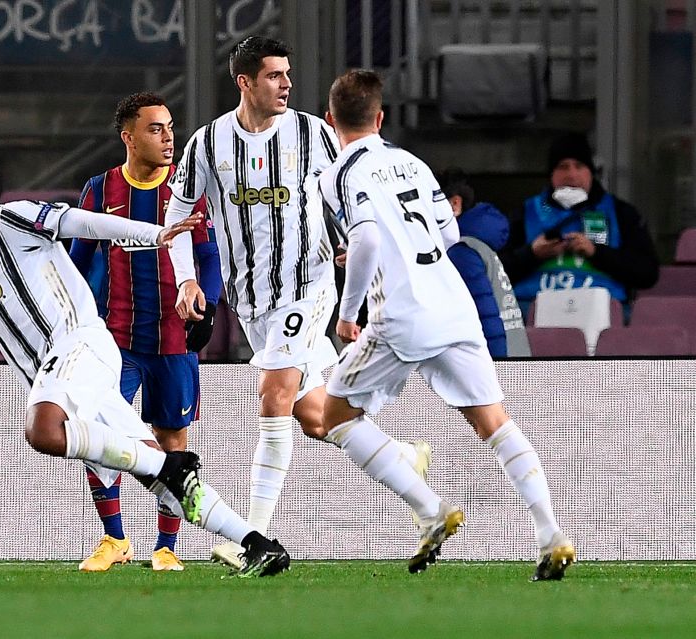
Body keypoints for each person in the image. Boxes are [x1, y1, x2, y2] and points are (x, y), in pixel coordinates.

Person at [0, 150, 289, 578]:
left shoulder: (10, 219)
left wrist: (153, 234)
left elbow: (82, 222)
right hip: (68, 377)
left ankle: (167, 467)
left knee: (42, 430)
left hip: (81, 344)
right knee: (167, 484)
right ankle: (258, 544)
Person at [164, 36, 431, 567]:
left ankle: (252, 541)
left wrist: (352, 239)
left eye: (288, 74)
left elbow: (357, 186)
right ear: (244, 82)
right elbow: (177, 213)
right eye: (274, 76)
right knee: (317, 416)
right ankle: (404, 458)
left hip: (306, 286)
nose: (286, 84)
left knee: (274, 398)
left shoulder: (314, 132)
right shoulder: (208, 142)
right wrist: (186, 281)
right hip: (251, 301)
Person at [317, 69, 575, 581]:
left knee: (335, 416)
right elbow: (448, 232)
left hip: (403, 313)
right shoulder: (412, 161)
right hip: (453, 305)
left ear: (330, 122)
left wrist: (348, 316)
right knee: (494, 423)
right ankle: (551, 535)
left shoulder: (338, 173)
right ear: (381, 117)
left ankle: (430, 508)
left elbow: (366, 241)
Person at [69, 92, 222, 572]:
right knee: (101, 436)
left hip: (174, 342)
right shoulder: (99, 191)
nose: (168, 136)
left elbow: (210, 257)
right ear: (128, 136)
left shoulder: (187, 193)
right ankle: (114, 539)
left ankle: (166, 547)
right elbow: (78, 262)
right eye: (155, 128)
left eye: (171, 126)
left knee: (172, 441)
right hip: (116, 342)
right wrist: (71, 320)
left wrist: (209, 304)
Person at [499, 132, 659, 319]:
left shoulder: (621, 212)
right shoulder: (525, 213)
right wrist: (532, 254)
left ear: (591, 172)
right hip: (532, 315)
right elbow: (493, 272)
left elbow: (647, 273)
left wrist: (596, 253)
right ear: (551, 174)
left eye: (579, 166)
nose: (571, 175)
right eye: (563, 167)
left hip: (604, 314)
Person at [438, 167, 530, 357]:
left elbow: (485, 318)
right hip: (517, 361)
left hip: (499, 366)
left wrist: (497, 367)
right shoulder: (479, 246)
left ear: (454, 204)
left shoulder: (461, 251)